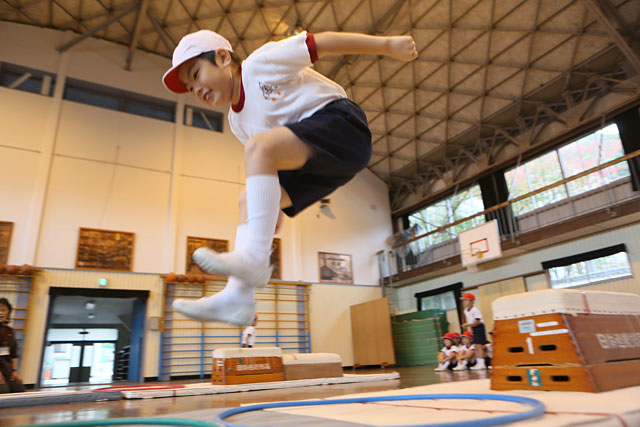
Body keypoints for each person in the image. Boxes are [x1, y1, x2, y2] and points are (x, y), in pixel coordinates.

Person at [164, 29, 418, 325]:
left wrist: (387, 45)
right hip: (321, 160)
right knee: (247, 199)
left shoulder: (260, 65)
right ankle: (238, 298)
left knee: (258, 148)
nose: (196, 90)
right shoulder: (237, 121)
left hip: (343, 127)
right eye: (190, 88)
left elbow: (322, 42)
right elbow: (269, 170)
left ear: (222, 57)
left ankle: (254, 260)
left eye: (196, 75)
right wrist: (270, 208)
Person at [0, 298, 26, 393]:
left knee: (19, 388)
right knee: (4, 391)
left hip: (7, 369)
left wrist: (14, 371)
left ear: (8, 312)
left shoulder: (9, 331)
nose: (1, 313)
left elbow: (13, 354)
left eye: (3, 310)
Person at [460, 293, 488, 370]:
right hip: (474, 328)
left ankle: (482, 363)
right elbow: (470, 321)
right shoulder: (465, 311)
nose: (464, 302)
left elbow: (477, 322)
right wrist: (471, 328)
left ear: (471, 301)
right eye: (463, 300)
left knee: (479, 345)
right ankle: (479, 363)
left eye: (466, 300)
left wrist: (467, 325)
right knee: (476, 346)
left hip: (479, 327)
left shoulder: (475, 310)